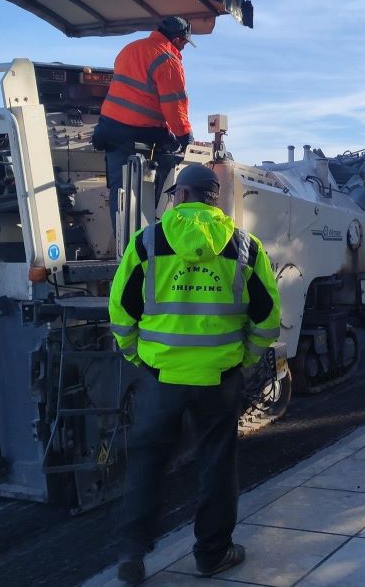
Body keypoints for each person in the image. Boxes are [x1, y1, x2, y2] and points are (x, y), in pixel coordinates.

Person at [108, 164, 281, 585]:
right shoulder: (244, 247)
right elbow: (267, 319)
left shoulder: (146, 242)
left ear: (181, 194)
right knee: (217, 465)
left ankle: (133, 553)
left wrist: (138, 357)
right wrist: (244, 360)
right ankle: (212, 554)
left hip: (161, 376)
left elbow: (121, 310)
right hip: (218, 379)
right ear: (214, 198)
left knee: (148, 462)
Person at [94, 15, 197, 228]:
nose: (184, 48)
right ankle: (157, 230)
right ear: (177, 39)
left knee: (119, 190)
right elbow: (174, 105)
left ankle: (124, 247)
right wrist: (185, 136)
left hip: (109, 129)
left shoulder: (130, 48)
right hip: (139, 132)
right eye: (185, 43)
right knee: (169, 160)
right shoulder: (168, 59)